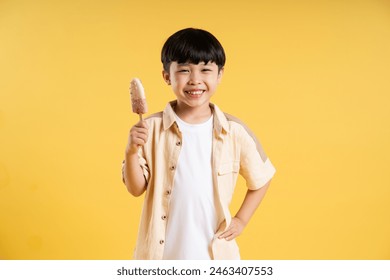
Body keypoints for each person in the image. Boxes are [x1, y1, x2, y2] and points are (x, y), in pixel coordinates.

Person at [122, 27, 276, 260]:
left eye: (205, 70)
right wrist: (131, 151)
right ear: (167, 76)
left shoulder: (234, 131)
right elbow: (135, 189)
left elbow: (262, 177)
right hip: (160, 257)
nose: (195, 80)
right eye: (184, 70)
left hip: (215, 257)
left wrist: (241, 219)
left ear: (219, 75)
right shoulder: (150, 129)